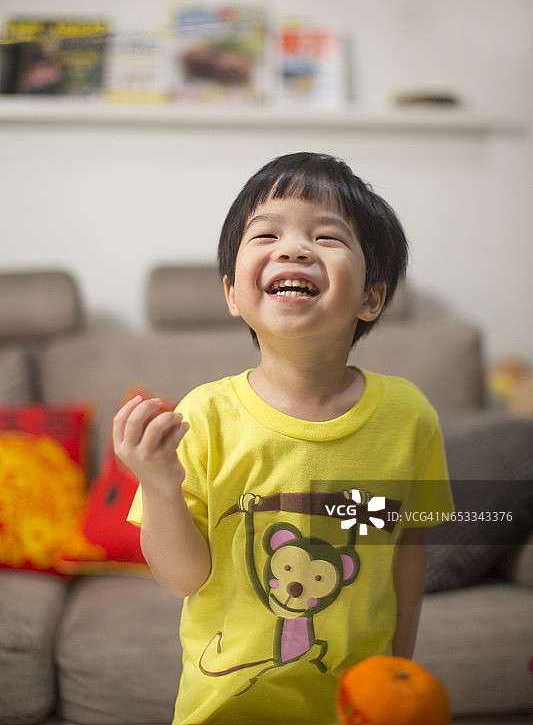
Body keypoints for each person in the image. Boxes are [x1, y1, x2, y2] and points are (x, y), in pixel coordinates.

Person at [113, 152, 454, 725]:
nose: (293, 248)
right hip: (224, 711)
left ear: (372, 296)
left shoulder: (409, 416)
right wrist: (158, 484)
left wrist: (398, 668)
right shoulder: (204, 416)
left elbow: (405, 552)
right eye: (266, 234)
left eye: (326, 237)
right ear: (232, 292)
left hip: (357, 706)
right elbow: (182, 579)